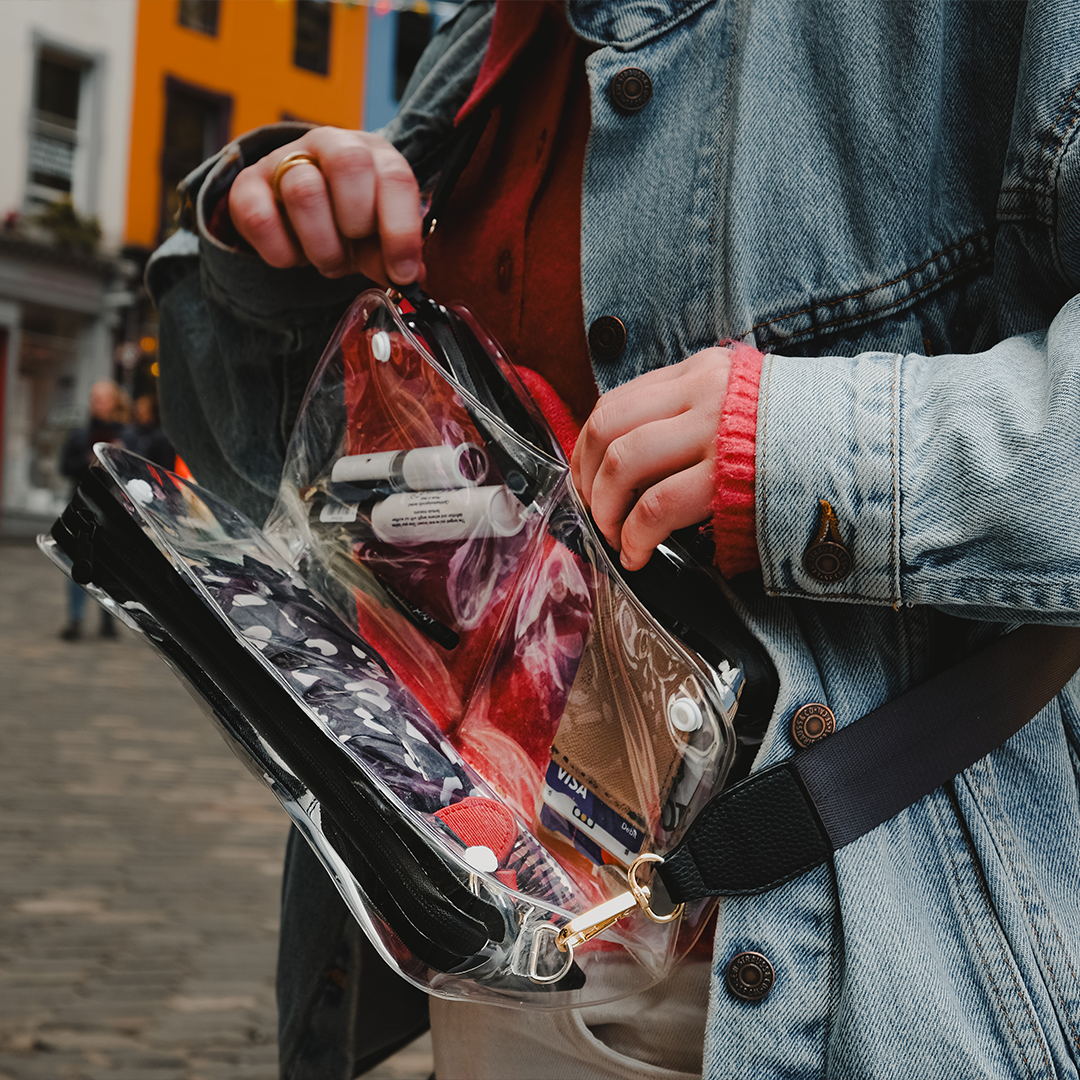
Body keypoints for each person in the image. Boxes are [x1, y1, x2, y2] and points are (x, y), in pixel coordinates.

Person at [146, 1, 1080, 1077]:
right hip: (503, 954)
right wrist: (260, 259)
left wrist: (809, 453)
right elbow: (273, 482)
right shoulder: (484, 48)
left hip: (838, 984)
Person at [58, 380, 132, 641]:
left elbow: (136, 472)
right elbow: (65, 467)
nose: (96, 402)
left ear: (113, 401)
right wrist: (88, 460)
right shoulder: (79, 433)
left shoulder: (127, 434)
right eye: (93, 397)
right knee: (77, 562)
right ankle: (75, 620)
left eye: (102, 398)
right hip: (82, 507)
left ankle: (108, 620)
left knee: (109, 567)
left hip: (115, 511)